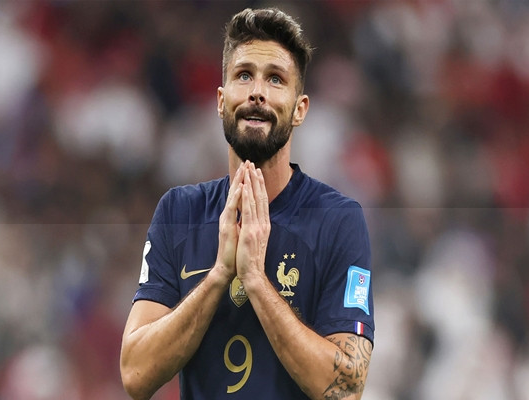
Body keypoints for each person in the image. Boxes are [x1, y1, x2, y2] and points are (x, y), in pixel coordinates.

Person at [120, 7, 374, 400]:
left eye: (276, 79)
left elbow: (346, 388)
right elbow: (135, 374)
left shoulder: (337, 220)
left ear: (300, 109)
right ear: (221, 101)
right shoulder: (179, 212)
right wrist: (219, 275)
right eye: (243, 75)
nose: (257, 91)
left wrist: (255, 279)